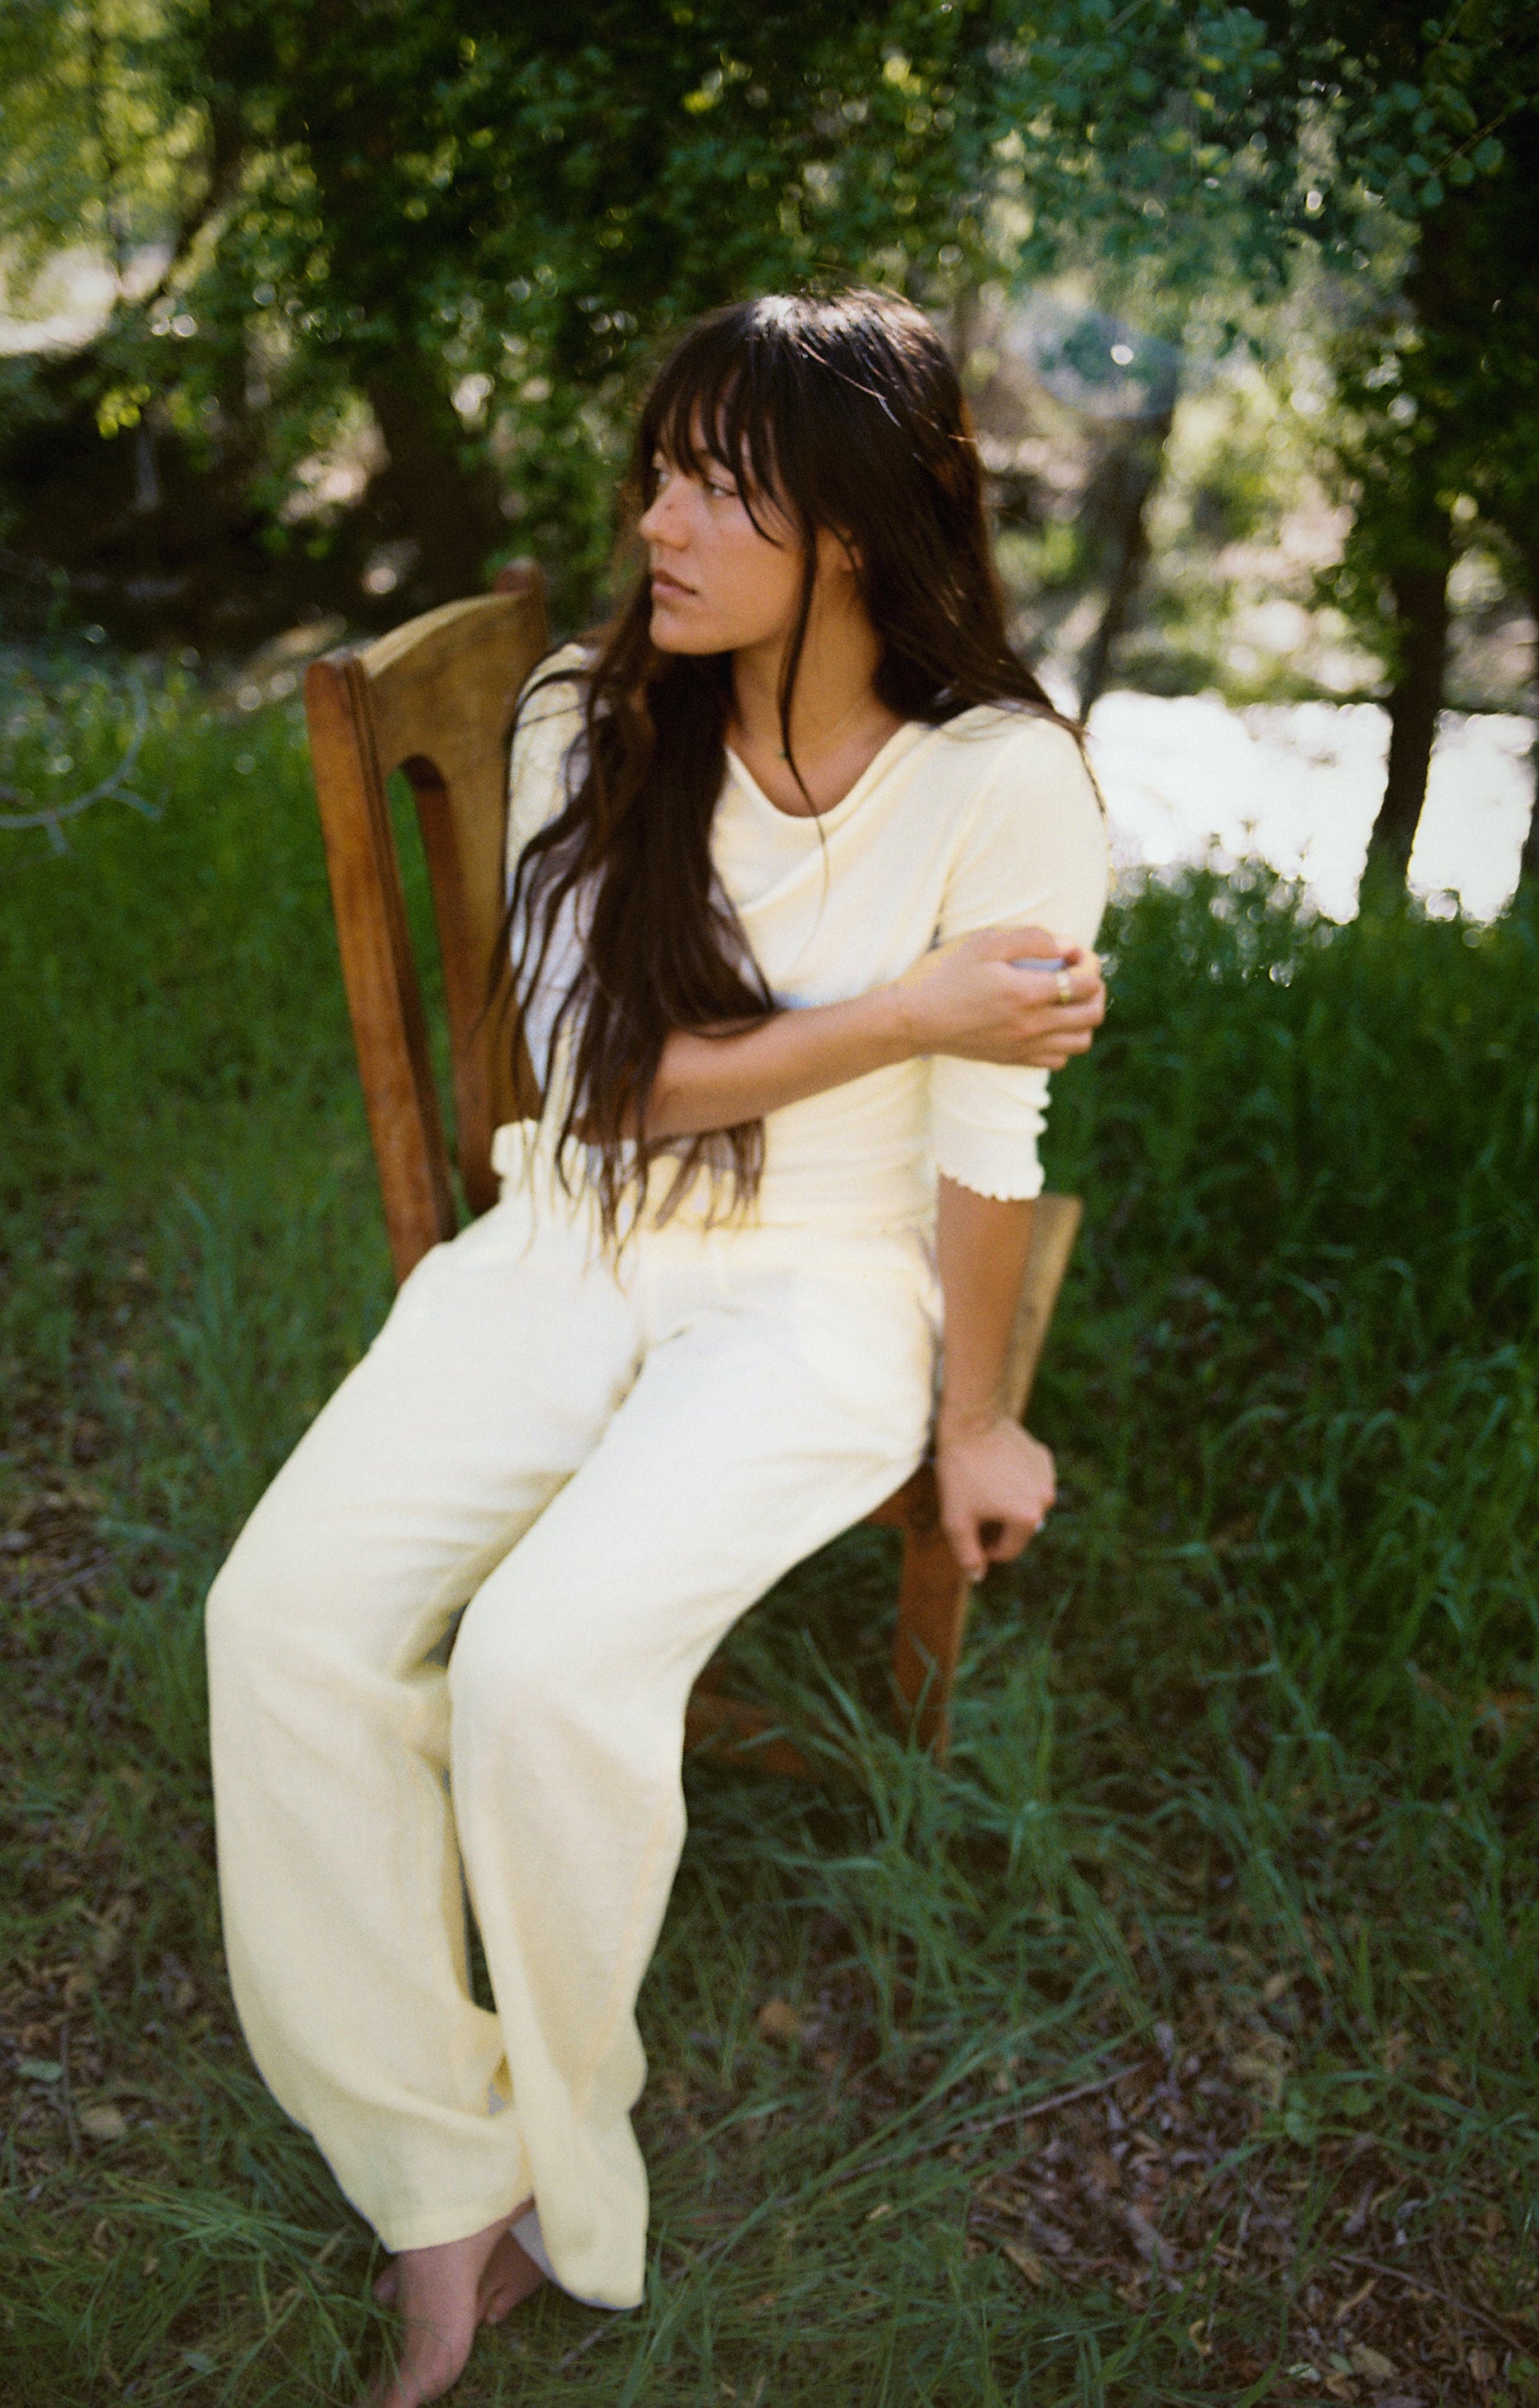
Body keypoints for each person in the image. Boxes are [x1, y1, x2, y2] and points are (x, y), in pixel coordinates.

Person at [205, 287, 1109, 2407]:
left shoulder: (1007, 777)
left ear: (855, 527)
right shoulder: (588, 714)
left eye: (719, 487)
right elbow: (603, 1090)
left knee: (540, 1665)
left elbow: (986, 1142)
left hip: (822, 1286)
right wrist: (904, 1008)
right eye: (660, 474)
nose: (658, 523)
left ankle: (565, 2153)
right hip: (572, 1236)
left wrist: (979, 1418)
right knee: (281, 1621)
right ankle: (436, 2171)